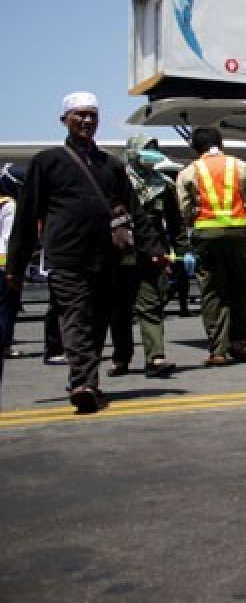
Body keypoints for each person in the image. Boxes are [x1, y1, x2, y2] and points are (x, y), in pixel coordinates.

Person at [5, 93, 162, 413]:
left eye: (92, 115)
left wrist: (155, 249)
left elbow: (134, 211)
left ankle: (86, 377)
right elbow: (26, 217)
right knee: (75, 316)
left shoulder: (111, 165)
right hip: (67, 256)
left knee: (98, 320)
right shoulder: (47, 162)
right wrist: (16, 266)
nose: (87, 121)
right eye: (79, 115)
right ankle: (84, 382)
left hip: (106, 257)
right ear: (65, 119)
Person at [177, 127, 246, 366]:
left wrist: (193, 224)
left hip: (206, 237)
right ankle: (238, 343)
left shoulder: (189, 172)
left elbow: (185, 209)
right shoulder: (241, 166)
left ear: (196, 148)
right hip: (239, 236)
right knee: (242, 288)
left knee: (212, 292)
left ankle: (218, 350)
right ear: (221, 143)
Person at [107, 136, 183, 378]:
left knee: (151, 305)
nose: (152, 154)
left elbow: (175, 222)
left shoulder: (164, 186)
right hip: (120, 253)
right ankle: (121, 358)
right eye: (146, 150)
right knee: (119, 308)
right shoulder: (115, 181)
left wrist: (181, 251)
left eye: (154, 150)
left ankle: (155, 357)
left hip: (151, 252)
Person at [1, 164, 24, 382]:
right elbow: (10, 239)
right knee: (7, 308)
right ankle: (5, 345)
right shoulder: (11, 205)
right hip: (4, 264)